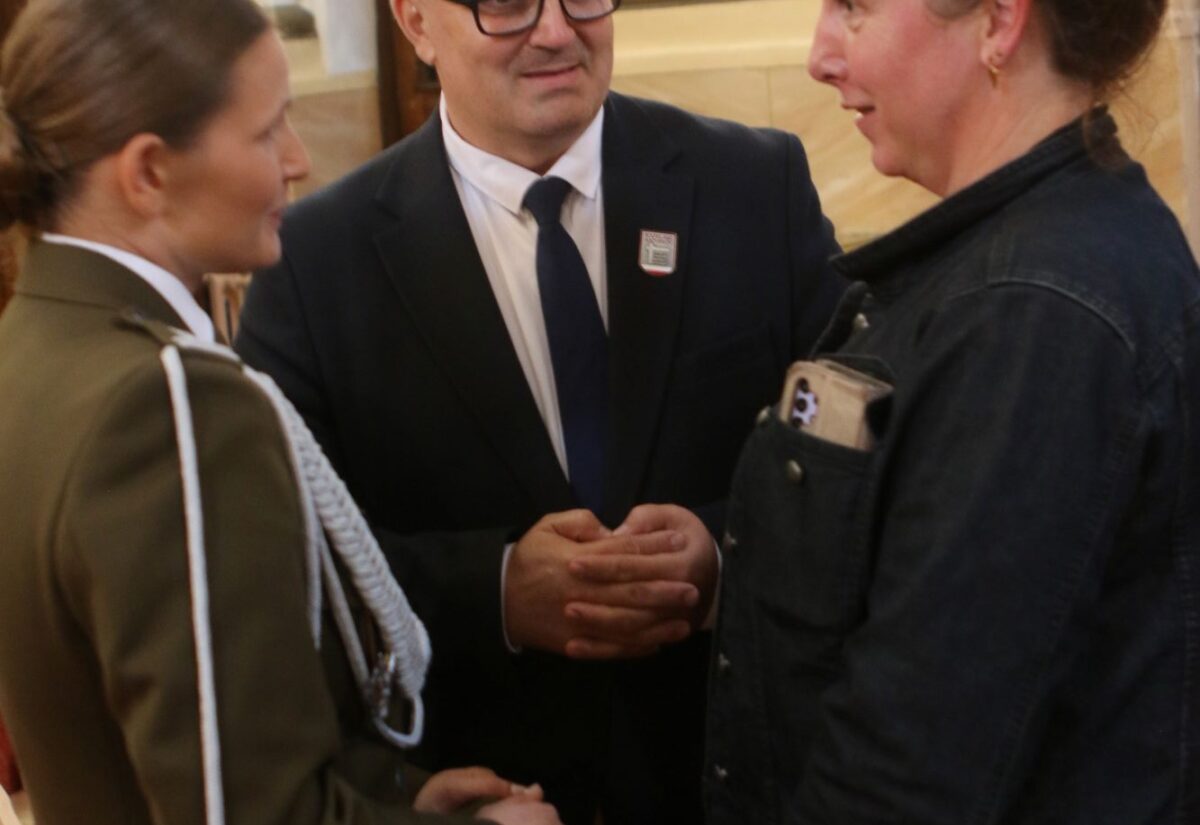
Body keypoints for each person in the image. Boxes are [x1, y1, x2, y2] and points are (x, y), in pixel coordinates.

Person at [233, 0, 844, 820]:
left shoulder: (756, 185)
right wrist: (496, 591)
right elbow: (287, 568)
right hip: (492, 792)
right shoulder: (311, 264)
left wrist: (724, 555)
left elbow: (863, 470)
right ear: (416, 22)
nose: (557, 31)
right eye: (507, 3)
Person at [0, 1, 570, 823]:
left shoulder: (39, 336)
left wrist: (392, 792)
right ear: (149, 172)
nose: (298, 160)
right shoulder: (168, 401)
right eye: (268, 132)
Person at [684, 0, 1200, 821]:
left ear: (999, 23)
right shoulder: (1033, 256)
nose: (820, 55)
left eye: (854, 8)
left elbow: (906, 773)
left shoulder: (1034, 310)